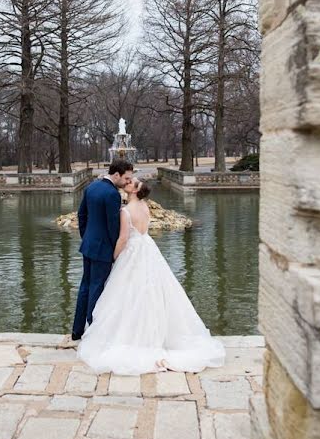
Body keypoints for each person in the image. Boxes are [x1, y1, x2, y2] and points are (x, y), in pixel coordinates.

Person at [77, 179, 225, 375]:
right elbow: (143, 231)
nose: (129, 183)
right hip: (147, 249)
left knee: (127, 294)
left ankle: (131, 338)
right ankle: (157, 337)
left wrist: (114, 257)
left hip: (132, 252)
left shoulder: (125, 211)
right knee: (153, 291)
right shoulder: (146, 207)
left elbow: (123, 238)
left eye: (133, 183)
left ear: (136, 191)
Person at [69, 159, 134, 341]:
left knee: (85, 287)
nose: (127, 182)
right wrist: (116, 252)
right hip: (103, 249)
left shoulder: (92, 187)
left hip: (89, 245)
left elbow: (81, 215)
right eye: (126, 178)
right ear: (116, 175)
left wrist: (87, 237)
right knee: (97, 289)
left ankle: (77, 330)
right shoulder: (113, 194)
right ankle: (93, 332)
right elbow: (113, 228)